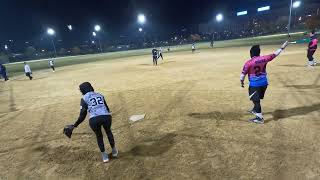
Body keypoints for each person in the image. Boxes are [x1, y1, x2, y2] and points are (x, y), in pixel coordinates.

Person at [67, 82, 118, 163]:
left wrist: (75, 125)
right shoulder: (100, 95)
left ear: (83, 90)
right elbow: (107, 108)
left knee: (99, 136)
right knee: (108, 132)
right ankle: (114, 151)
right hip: (106, 117)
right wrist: (107, 116)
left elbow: (83, 114)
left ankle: (105, 157)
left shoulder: (84, 98)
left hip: (94, 120)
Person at [240, 41, 289, 124]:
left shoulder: (248, 63)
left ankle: (259, 118)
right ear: (259, 53)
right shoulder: (264, 58)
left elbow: (242, 76)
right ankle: (255, 109)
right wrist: (282, 47)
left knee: (256, 101)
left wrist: (242, 82)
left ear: (251, 53)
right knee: (256, 98)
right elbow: (275, 54)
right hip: (264, 83)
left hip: (255, 85)